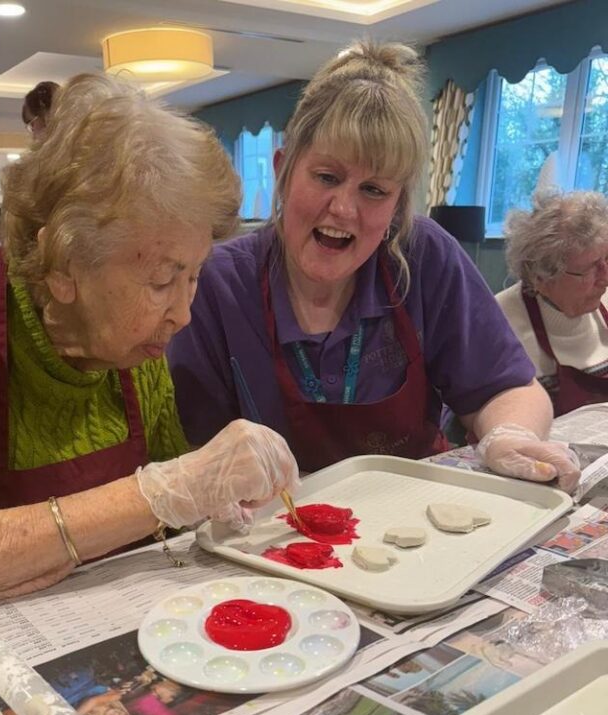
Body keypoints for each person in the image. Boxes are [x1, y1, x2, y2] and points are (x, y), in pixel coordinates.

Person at [0, 73, 298, 642]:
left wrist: (214, 493)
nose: (183, 313)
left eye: (195, 275)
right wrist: (166, 489)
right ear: (61, 266)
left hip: (69, 623)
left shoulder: (132, 342)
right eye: (161, 280)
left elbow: (166, 515)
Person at [168, 41, 580, 493]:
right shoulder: (215, 284)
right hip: (274, 530)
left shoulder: (424, 257)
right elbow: (191, 446)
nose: (343, 209)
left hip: (415, 520)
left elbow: (508, 387)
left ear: (398, 202)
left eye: (374, 190)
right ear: (284, 170)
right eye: (326, 177)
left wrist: (509, 435)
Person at [496, 190, 608, 416]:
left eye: (607, 259)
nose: (605, 276)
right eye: (590, 269)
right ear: (541, 278)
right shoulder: (499, 323)